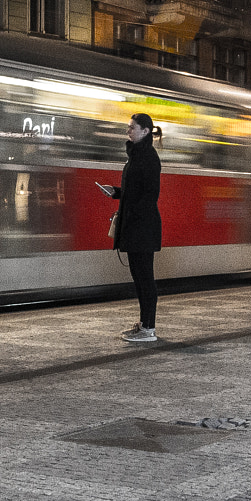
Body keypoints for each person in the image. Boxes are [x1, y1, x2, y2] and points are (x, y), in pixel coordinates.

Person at [101, 113, 163, 342]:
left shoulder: (148, 157)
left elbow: (149, 195)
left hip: (143, 226)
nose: (128, 131)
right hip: (136, 225)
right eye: (128, 127)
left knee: (145, 278)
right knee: (139, 277)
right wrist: (116, 192)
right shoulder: (136, 156)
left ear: (146, 131)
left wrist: (133, 214)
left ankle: (149, 328)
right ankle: (144, 324)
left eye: (132, 127)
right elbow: (134, 191)